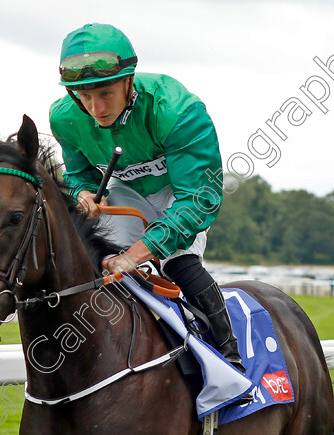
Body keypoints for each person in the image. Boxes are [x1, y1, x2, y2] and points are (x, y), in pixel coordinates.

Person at [50, 23, 251, 399]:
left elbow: (198, 202)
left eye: (106, 93)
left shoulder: (177, 110)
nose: (96, 109)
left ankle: (230, 361)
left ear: (129, 81)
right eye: (84, 95)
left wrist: (139, 254)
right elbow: (78, 173)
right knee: (98, 266)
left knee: (177, 262)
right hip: (124, 192)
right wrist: (83, 195)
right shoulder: (64, 116)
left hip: (182, 193)